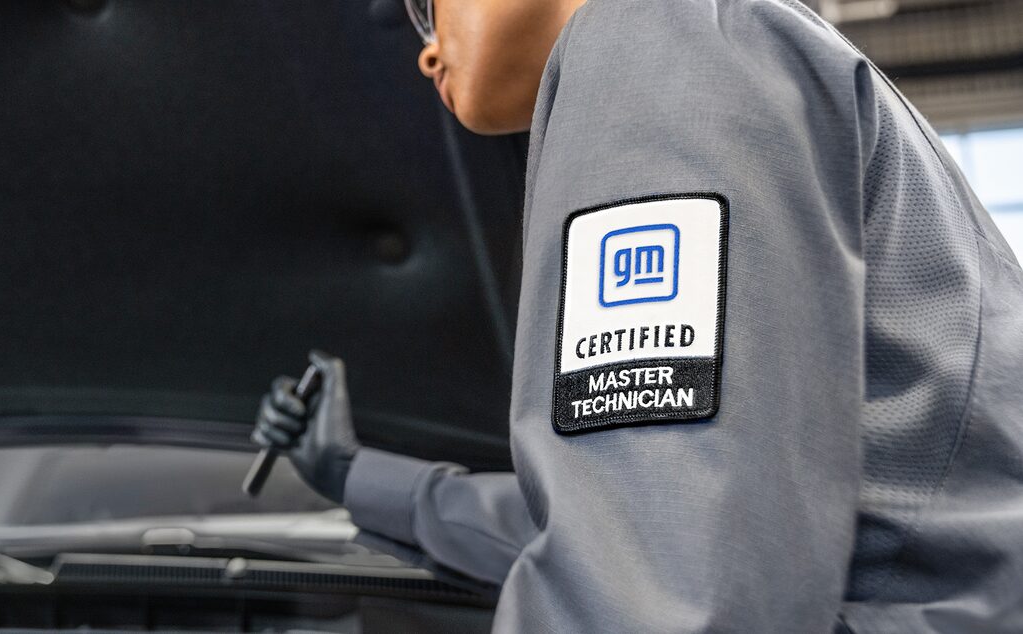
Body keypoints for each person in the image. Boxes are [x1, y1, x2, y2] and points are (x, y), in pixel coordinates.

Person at [252, 0, 1023, 630]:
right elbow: (624, 532)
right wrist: (357, 476)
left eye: (427, 8)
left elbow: (662, 598)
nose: (426, 55)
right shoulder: (689, 46)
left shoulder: (653, 44)